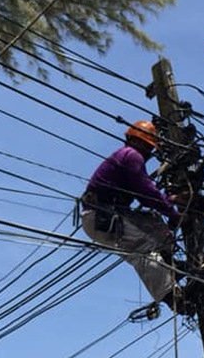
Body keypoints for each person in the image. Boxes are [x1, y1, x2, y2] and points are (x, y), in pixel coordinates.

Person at [81, 120, 191, 314]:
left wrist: (171, 200)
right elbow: (147, 192)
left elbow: (147, 191)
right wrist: (173, 213)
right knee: (143, 249)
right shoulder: (131, 156)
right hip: (101, 217)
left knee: (153, 223)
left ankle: (169, 263)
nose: (150, 154)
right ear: (140, 142)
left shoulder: (126, 156)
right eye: (149, 148)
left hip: (111, 214)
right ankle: (171, 297)